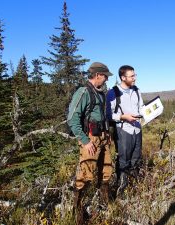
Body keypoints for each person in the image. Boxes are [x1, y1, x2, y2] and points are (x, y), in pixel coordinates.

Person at [67, 62, 113, 225]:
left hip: (102, 137)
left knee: (106, 170)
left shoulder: (100, 92)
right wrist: (85, 141)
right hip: (90, 139)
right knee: (86, 174)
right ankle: (77, 213)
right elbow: (72, 119)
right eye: (105, 76)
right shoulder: (83, 92)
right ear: (98, 75)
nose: (106, 79)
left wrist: (107, 133)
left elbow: (101, 116)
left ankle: (104, 204)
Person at [106, 65, 144, 195]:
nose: (134, 78)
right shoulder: (113, 92)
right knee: (123, 160)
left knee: (136, 158)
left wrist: (150, 112)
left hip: (137, 130)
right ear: (123, 77)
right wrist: (123, 117)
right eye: (132, 76)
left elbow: (142, 107)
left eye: (135, 75)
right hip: (123, 131)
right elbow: (108, 115)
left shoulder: (137, 90)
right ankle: (121, 189)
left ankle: (135, 187)